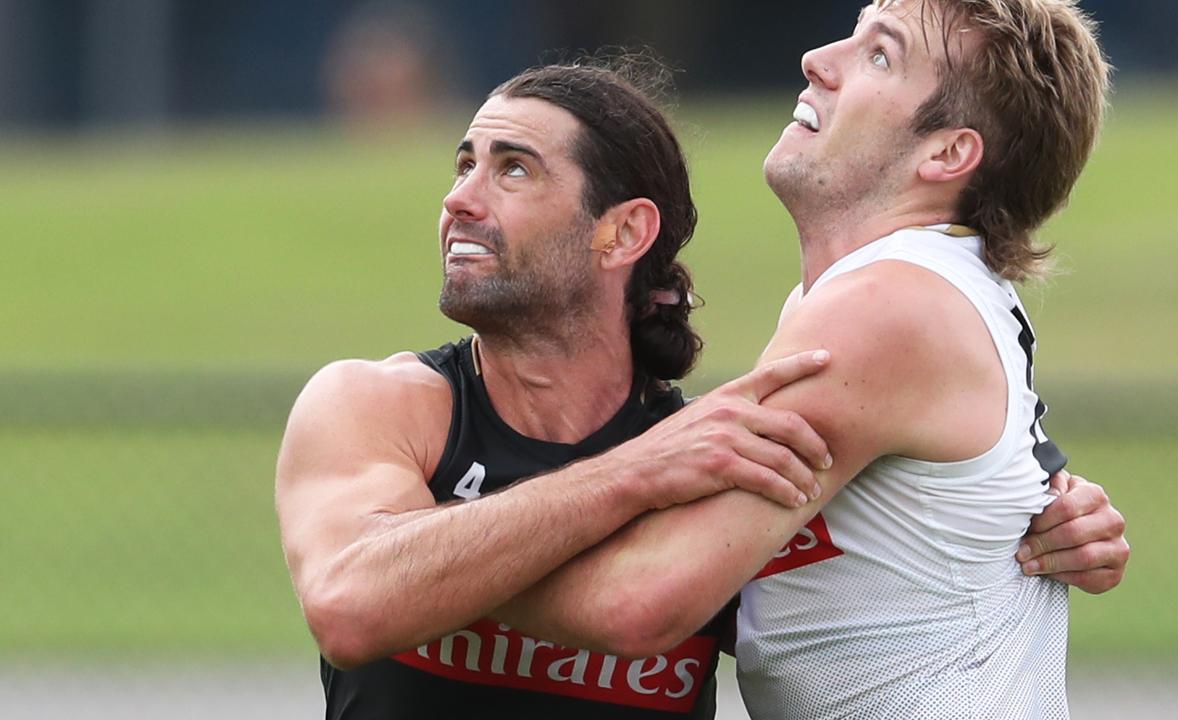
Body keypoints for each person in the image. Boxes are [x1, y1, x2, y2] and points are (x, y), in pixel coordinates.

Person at [276, 38, 1127, 720]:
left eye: (513, 168)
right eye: (464, 163)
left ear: (620, 235)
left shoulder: (715, 453)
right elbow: (351, 604)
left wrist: (1027, 524)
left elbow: (651, 601)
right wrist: (628, 479)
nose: (460, 197)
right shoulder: (376, 406)